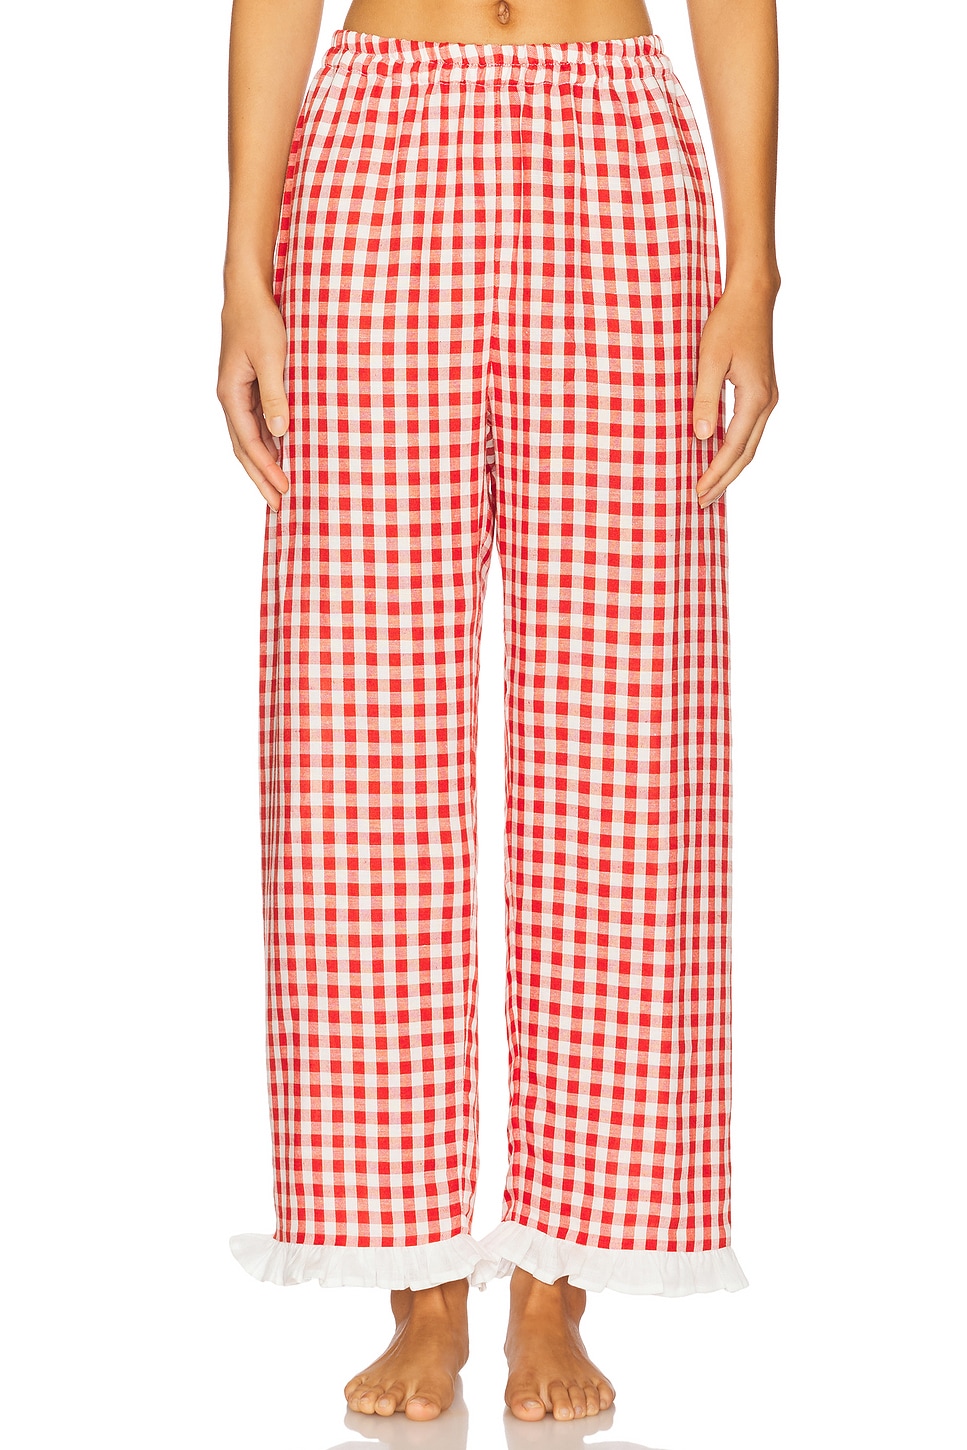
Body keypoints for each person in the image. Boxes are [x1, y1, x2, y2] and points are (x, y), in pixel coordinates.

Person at [216, 0, 780, 1426]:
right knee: (353, 736)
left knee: (629, 731)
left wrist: (754, 269)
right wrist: (241, 268)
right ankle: (412, 1279)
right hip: (378, 149)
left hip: (614, 148)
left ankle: (558, 1275)